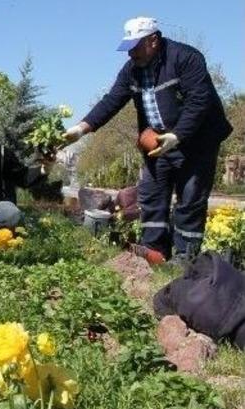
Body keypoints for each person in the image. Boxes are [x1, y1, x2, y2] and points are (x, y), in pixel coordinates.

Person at [62, 17, 231, 262]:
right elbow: (111, 101)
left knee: (190, 200)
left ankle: (185, 258)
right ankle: (154, 253)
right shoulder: (132, 70)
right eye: (128, 47)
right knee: (152, 196)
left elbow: (199, 101)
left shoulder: (186, 58)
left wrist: (177, 135)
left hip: (196, 142)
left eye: (135, 46)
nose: (131, 53)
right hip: (158, 145)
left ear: (153, 40)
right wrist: (80, 129)